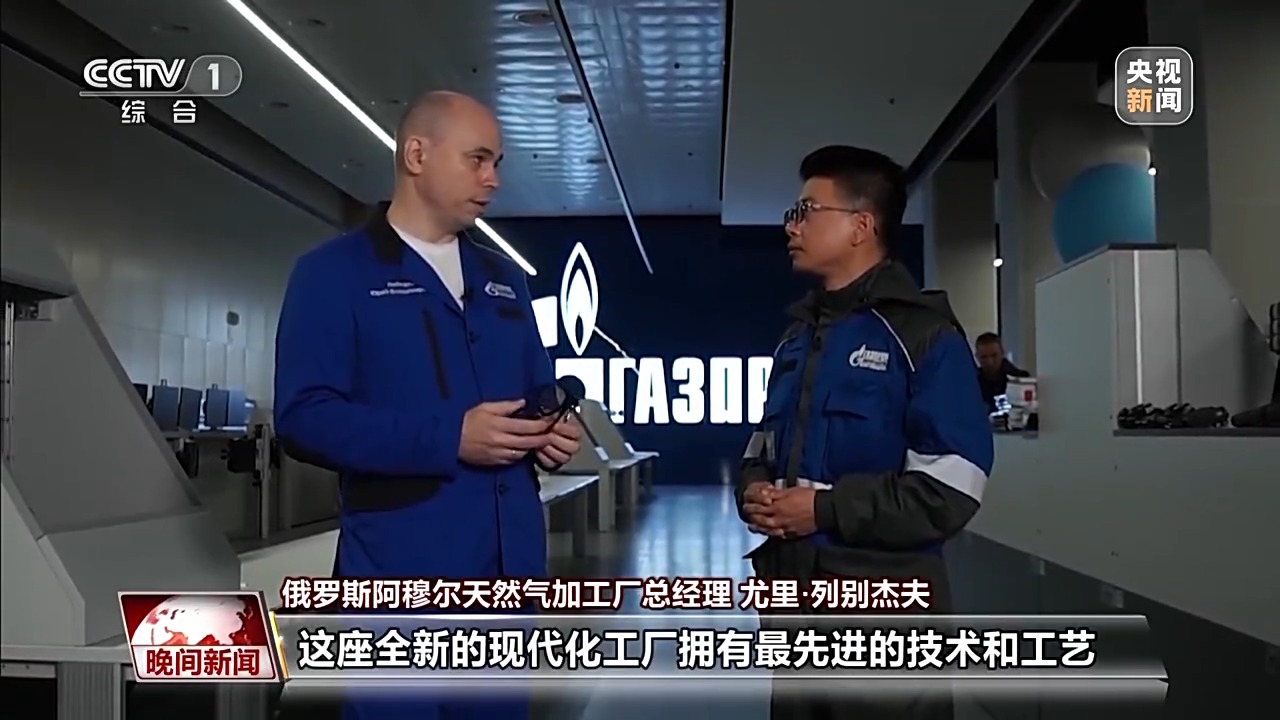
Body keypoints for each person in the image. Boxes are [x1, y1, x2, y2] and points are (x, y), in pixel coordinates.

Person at [273, 91, 582, 720]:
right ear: (416, 155)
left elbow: (539, 390)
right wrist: (448, 437)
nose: (493, 179)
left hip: (509, 580)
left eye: (497, 163)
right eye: (477, 159)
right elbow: (303, 416)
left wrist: (553, 428)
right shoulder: (332, 274)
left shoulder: (504, 280)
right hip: (398, 581)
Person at [736, 145, 994, 720]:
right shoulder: (796, 340)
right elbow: (762, 446)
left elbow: (951, 490)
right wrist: (753, 489)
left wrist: (823, 510)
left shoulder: (924, 337)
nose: (790, 226)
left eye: (806, 211)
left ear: (861, 226)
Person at [974, 332, 1030, 413]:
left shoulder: (1021, 380)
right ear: (977, 357)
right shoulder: (972, 383)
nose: (990, 362)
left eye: (994, 355)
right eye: (984, 357)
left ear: (1002, 353)